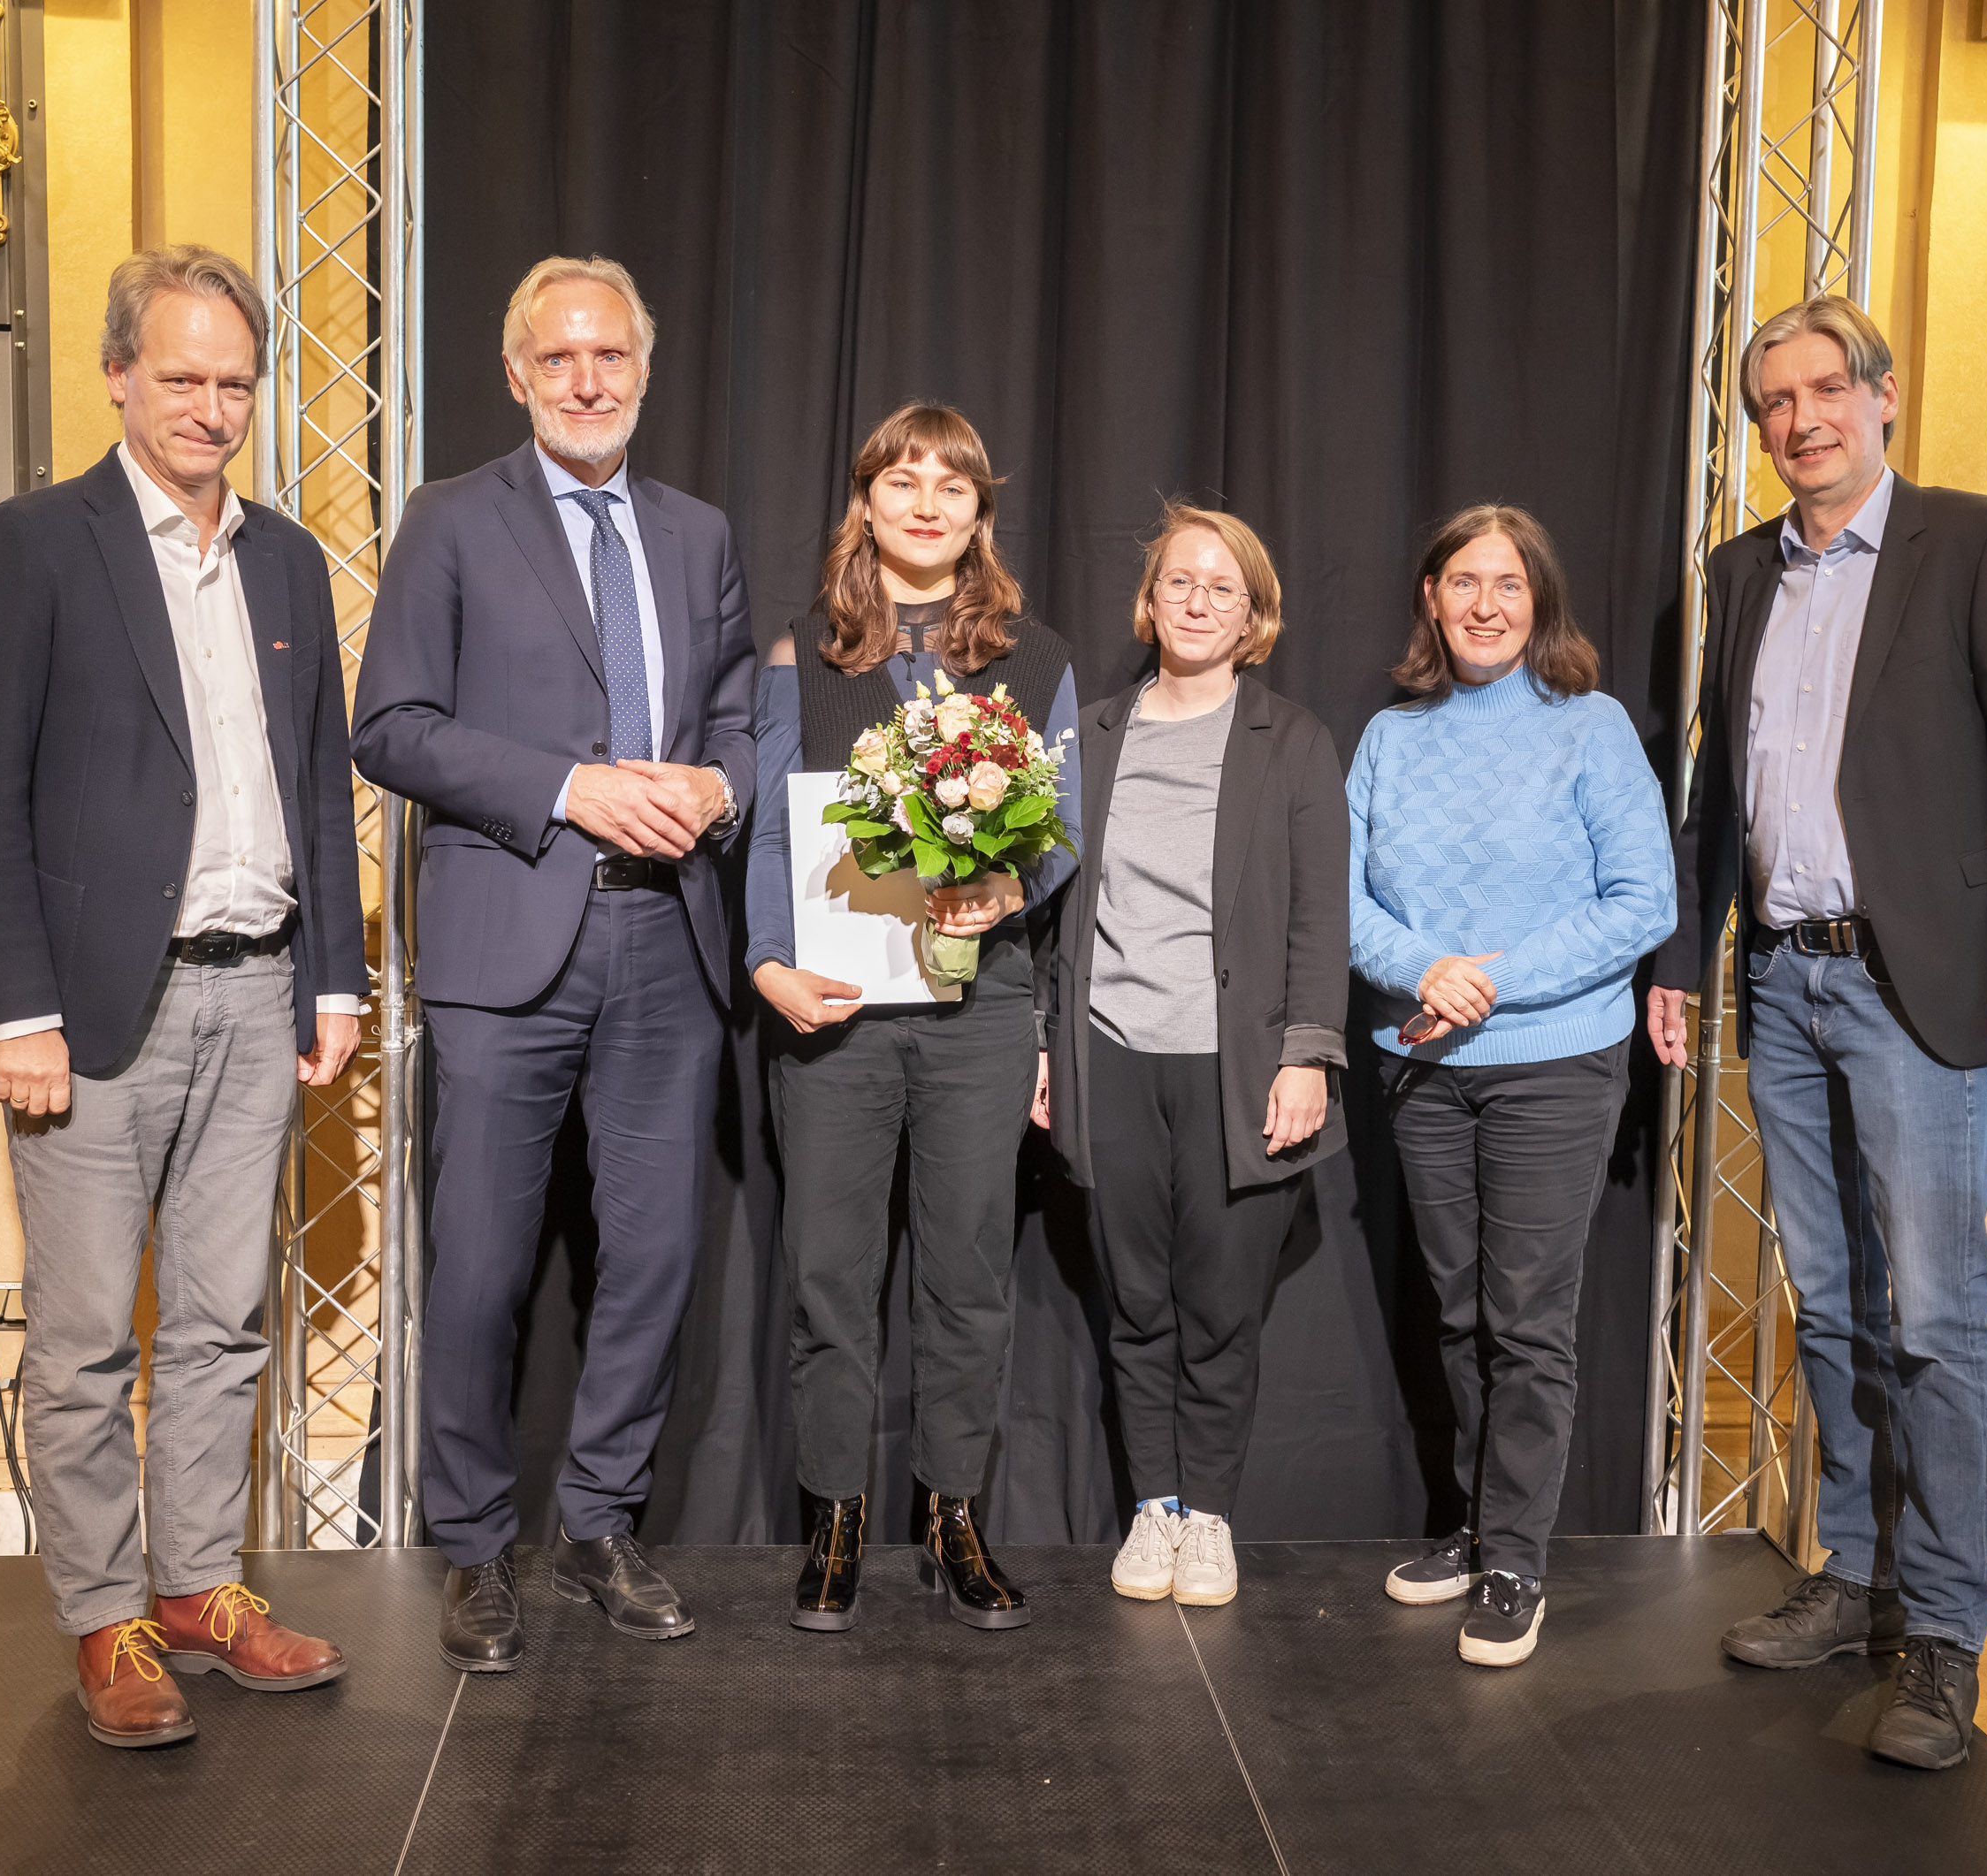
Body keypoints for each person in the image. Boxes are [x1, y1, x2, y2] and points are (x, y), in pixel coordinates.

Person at [1647, 296, 1987, 1772]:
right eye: (1772, 402)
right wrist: (1686, 956)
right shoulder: (1739, 570)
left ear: (1881, 397)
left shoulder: (1971, 545)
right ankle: (1854, 1575)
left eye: (1823, 390)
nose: (1798, 421)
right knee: (1828, 1307)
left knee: (1930, 1322)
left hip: (1923, 991)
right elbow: (1721, 792)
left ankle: (1942, 1644)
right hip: (1781, 982)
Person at [0, 245, 363, 1749]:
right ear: (116, 374)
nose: (209, 406)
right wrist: (14, 1010)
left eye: (233, 381)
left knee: (221, 1321)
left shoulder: (288, 561)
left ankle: (197, 1591)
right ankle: (104, 1617)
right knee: (82, 1343)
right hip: (91, 1012)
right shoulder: (32, 546)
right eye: (180, 376)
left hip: (257, 997)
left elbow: (315, 779)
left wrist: (334, 977)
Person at [353, 255, 755, 1673]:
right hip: (506, 941)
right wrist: (567, 788)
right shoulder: (453, 521)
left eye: (613, 359)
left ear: (642, 372)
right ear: (517, 374)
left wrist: (718, 789)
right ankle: (472, 1545)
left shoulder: (699, 533)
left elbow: (739, 713)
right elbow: (389, 724)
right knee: (481, 1266)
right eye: (561, 359)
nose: (590, 381)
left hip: (667, 939)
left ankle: (597, 1521)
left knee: (649, 1258)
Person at [746, 402, 1078, 1633]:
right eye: (903, 479)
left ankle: (952, 1517)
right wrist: (765, 961)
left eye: (952, 484)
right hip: (830, 1013)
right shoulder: (798, 653)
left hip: (979, 1009)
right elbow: (774, 827)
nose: (927, 502)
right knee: (830, 1279)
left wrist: (1009, 881)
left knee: (967, 1278)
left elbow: (1063, 835)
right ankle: (834, 1517)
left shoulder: (1034, 658)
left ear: (979, 511)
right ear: (867, 502)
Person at [1349, 505, 1673, 1671]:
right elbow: (1340, 901)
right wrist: (1422, 969)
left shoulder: (1588, 729)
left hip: (1554, 1065)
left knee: (1526, 1320)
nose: (1486, 603)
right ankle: (1478, 1521)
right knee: (1458, 1311)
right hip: (1422, 1065)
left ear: (1539, 601)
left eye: (1509, 583)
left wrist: (1488, 981)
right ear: (1430, 598)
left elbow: (1644, 901)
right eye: (1463, 581)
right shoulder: (1387, 738)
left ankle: (1516, 1559)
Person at [1036, 504, 1347, 1610]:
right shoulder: (1094, 733)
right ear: (1150, 601)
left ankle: (1208, 1515)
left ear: (1254, 612)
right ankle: (1153, 1508)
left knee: (1221, 1308)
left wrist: (1306, 1054)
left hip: (1237, 1066)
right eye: (1180, 582)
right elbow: (1054, 904)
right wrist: (1045, 1044)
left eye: (1224, 586)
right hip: (1110, 1054)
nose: (1200, 600)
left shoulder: (1293, 739)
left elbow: (1320, 916)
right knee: (1137, 1304)